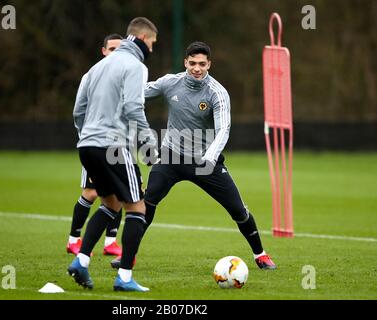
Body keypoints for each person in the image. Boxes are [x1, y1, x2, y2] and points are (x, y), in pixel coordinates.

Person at [111, 41, 276, 270]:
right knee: (147, 202)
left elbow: (223, 130)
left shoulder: (217, 93)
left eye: (202, 64)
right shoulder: (171, 82)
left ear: (209, 64)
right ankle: (128, 255)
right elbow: (140, 92)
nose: (197, 68)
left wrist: (208, 159)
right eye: (192, 63)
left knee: (237, 209)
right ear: (185, 62)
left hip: (205, 161)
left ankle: (261, 254)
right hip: (171, 157)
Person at [67, 17, 159, 292]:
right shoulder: (136, 66)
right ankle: (125, 278)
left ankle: (81, 262)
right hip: (114, 146)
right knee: (137, 208)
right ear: (143, 39)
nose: (152, 48)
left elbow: (78, 111)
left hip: (87, 146)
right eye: (152, 43)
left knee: (111, 204)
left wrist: (87, 137)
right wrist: (148, 145)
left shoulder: (95, 68)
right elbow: (133, 107)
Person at [67, 34, 124, 258]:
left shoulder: (124, 77)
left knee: (121, 192)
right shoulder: (91, 76)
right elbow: (78, 111)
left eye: (120, 50)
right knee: (91, 193)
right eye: (111, 49)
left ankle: (111, 242)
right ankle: (73, 240)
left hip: (118, 145)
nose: (115, 54)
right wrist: (87, 137)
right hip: (95, 146)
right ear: (103, 51)